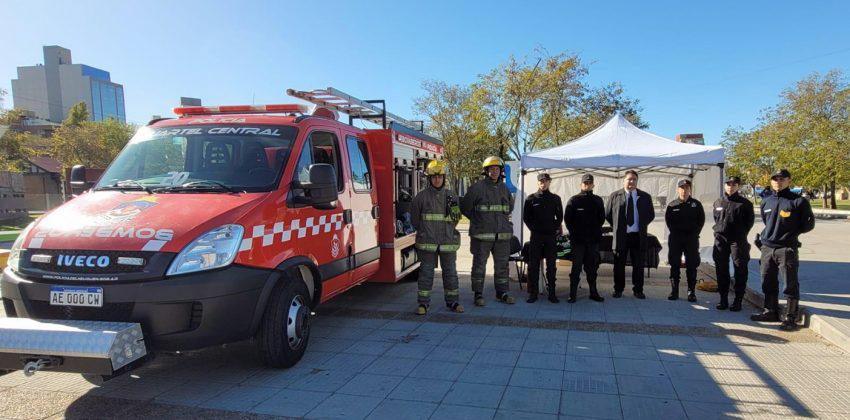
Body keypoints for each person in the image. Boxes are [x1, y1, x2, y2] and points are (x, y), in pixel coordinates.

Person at [751, 169, 815, 331]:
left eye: (781, 179)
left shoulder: (798, 201)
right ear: (771, 181)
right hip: (767, 247)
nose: (778, 182)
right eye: (775, 179)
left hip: (786, 248)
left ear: (788, 181)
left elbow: (808, 224)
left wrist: (790, 234)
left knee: (790, 283)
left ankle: (790, 317)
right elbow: (768, 221)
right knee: (767, 281)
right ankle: (770, 311)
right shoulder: (766, 201)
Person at [410, 160, 463, 315]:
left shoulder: (451, 196)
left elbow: (456, 217)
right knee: (426, 273)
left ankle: (453, 302)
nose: (437, 179)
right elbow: (415, 220)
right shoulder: (420, 197)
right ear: (429, 179)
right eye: (434, 177)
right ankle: (423, 304)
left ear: (444, 177)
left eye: (439, 176)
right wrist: (426, 231)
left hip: (447, 242)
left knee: (450, 273)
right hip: (427, 242)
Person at [461, 156, 516, 306]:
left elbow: (510, 207)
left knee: (502, 266)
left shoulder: (504, 188)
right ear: (486, 171)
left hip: (502, 236)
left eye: (497, 169)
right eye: (491, 169)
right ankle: (478, 294)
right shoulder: (477, 188)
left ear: (501, 171)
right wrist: (477, 219)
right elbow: (464, 207)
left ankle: (502, 293)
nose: (494, 171)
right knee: (479, 265)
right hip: (482, 236)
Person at [605, 170, 655, 299]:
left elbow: (650, 215)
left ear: (637, 181)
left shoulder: (645, 197)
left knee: (638, 265)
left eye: (634, 179)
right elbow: (608, 214)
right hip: (621, 236)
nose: (631, 181)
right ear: (624, 180)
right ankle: (618, 289)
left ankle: (638, 290)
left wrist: (641, 225)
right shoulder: (615, 196)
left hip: (638, 236)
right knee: (619, 265)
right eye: (629, 179)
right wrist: (619, 226)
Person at [712, 175, 755, 311]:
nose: (731, 186)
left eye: (734, 184)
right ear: (725, 185)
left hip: (737, 240)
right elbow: (716, 219)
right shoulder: (718, 202)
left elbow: (749, 223)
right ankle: (723, 299)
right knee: (721, 269)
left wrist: (740, 234)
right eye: (728, 184)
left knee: (740, 269)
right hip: (721, 240)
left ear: (738, 186)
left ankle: (738, 300)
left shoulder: (745, 204)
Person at [563, 173, 605, 303]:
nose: (587, 185)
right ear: (581, 184)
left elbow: (601, 219)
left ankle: (593, 292)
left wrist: (593, 233)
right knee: (576, 268)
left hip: (592, 241)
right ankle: (572, 294)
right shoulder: (574, 200)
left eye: (589, 183)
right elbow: (567, 220)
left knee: (592, 268)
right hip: (578, 242)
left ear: (593, 185)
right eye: (585, 183)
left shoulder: (598, 200)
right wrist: (575, 233)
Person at [522, 173, 563, 303]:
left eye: (545, 181)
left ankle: (552, 293)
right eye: (541, 181)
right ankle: (533, 293)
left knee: (551, 266)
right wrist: (534, 229)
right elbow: (526, 218)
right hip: (536, 236)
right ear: (538, 183)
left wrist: (553, 228)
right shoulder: (531, 199)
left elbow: (560, 216)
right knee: (534, 265)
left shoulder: (555, 198)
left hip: (550, 237)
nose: (543, 183)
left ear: (549, 182)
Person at [665, 179, 706, 302]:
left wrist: (694, 234)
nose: (684, 190)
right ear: (678, 189)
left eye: (687, 188)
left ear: (690, 190)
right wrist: (677, 232)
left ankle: (691, 291)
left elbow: (701, 221)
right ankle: (674, 291)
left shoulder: (696, 204)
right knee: (674, 265)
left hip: (691, 240)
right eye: (682, 188)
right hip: (676, 239)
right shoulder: (672, 205)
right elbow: (669, 222)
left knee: (692, 265)